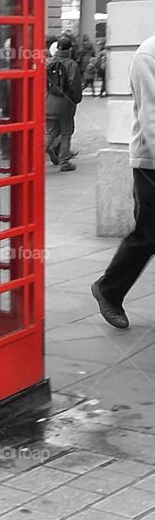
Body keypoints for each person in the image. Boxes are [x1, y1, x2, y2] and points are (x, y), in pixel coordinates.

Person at [91, 31, 155, 330]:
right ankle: (109, 290)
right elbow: (152, 118)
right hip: (151, 163)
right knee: (148, 234)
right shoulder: (148, 54)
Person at [45, 35, 82, 172]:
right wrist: (76, 100)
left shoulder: (48, 63)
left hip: (48, 102)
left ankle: (34, 156)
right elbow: (75, 85)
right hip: (65, 104)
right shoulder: (71, 64)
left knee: (50, 133)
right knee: (66, 132)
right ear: (68, 49)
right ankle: (64, 160)